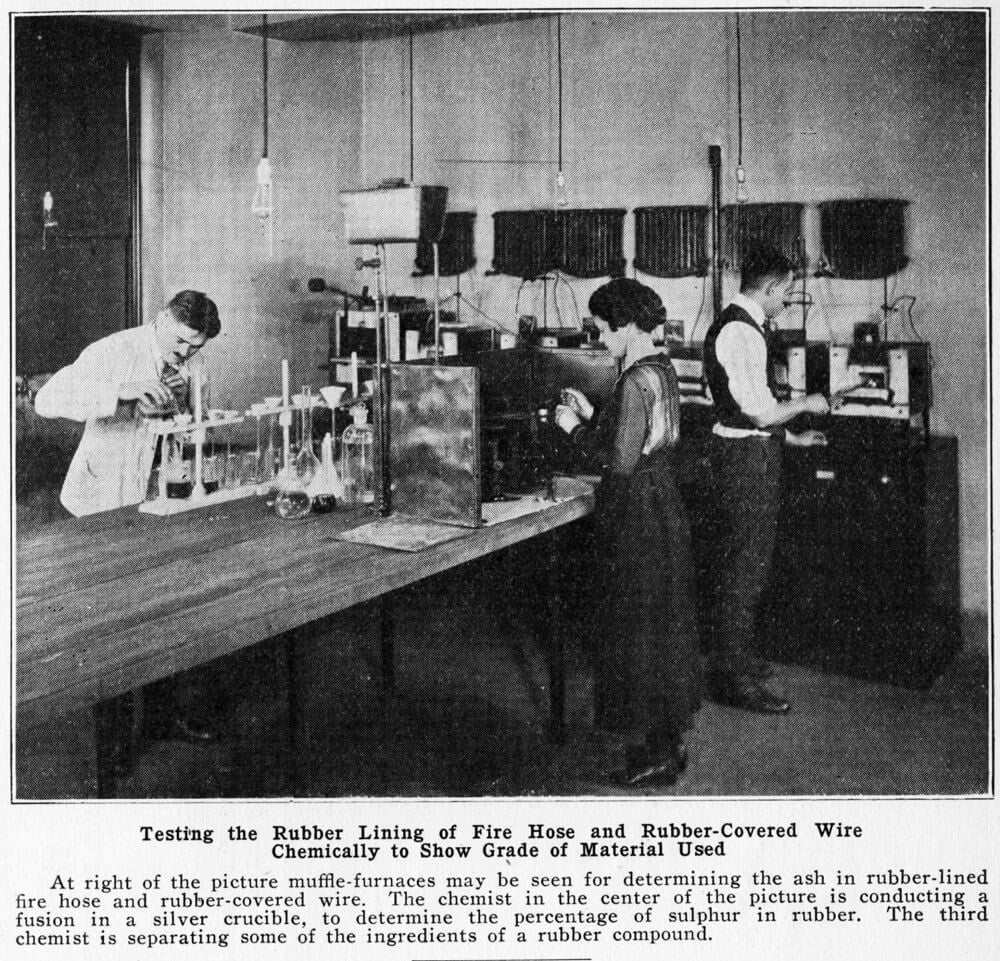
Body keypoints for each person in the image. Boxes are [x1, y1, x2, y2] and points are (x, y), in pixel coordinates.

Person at [34, 290, 222, 748]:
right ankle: (114, 744)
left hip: (158, 498)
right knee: (109, 627)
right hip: (102, 500)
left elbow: (196, 425)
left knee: (162, 612)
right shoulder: (113, 350)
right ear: (160, 319)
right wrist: (123, 394)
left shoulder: (191, 363)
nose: (184, 353)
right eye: (179, 342)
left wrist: (184, 405)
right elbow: (48, 399)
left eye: (194, 348)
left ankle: (162, 719)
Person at [555, 278, 701, 788]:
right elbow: (643, 440)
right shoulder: (661, 370)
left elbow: (618, 462)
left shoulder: (633, 381)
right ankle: (666, 745)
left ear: (622, 323)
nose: (599, 338)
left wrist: (570, 427)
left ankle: (652, 756)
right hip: (663, 506)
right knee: (662, 628)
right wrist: (595, 413)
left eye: (600, 328)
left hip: (635, 511)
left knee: (634, 629)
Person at [701, 247, 829, 714]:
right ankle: (733, 678)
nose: (787, 301)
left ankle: (736, 658)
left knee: (745, 563)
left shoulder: (743, 326)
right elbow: (758, 411)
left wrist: (789, 439)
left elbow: (751, 408)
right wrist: (808, 402)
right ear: (772, 287)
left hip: (750, 450)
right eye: (787, 292)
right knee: (744, 568)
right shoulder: (741, 332)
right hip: (744, 459)